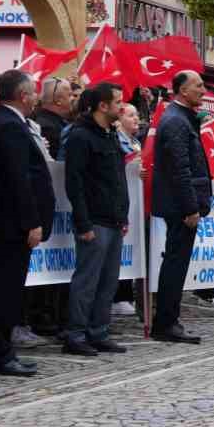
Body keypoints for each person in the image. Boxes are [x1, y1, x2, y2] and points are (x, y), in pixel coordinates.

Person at [0, 70, 54, 377]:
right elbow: (18, 178)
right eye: (34, 92)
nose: (37, 97)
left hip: (9, 222)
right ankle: (0, 355)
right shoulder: (9, 125)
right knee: (5, 291)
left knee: (8, 290)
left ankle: (2, 352)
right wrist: (31, 222)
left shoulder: (10, 122)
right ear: (23, 96)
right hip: (11, 224)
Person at [64, 82, 131, 357]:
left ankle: (99, 331)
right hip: (94, 220)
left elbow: (117, 178)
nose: (122, 106)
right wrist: (83, 223)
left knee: (108, 281)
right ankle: (76, 335)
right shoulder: (81, 136)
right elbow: (74, 182)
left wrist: (123, 215)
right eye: (118, 101)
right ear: (102, 106)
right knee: (87, 281)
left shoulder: (110, 134)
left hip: (113, 219)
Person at [150, 70, 213, 343]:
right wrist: (190, 208)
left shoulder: (183, 118)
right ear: (182, 91)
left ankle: (168, 320)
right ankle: (166, 323)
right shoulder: (176, 121)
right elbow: (179, 169)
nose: (203, 90)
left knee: (177, 261)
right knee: (175, 263)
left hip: (181, 204)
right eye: (198, 86)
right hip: (179, 207)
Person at [33, 77, 73, 160]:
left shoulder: (53, 122)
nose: (73, 99)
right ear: (58, 100)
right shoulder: (48, 127)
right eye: (69, 95)